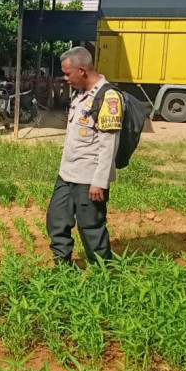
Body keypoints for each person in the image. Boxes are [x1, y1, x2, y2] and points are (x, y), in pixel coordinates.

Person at [46, 46, 123, 265]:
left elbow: (109, 145)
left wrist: (99, 182)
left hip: (89, 178)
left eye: (67, 73)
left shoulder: (108, 98)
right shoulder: (79, 95)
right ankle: (62, 266)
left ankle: (102, 273)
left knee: (91, 227)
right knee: (56, 219)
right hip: (67, 174)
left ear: (82, 70)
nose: (65, 78)